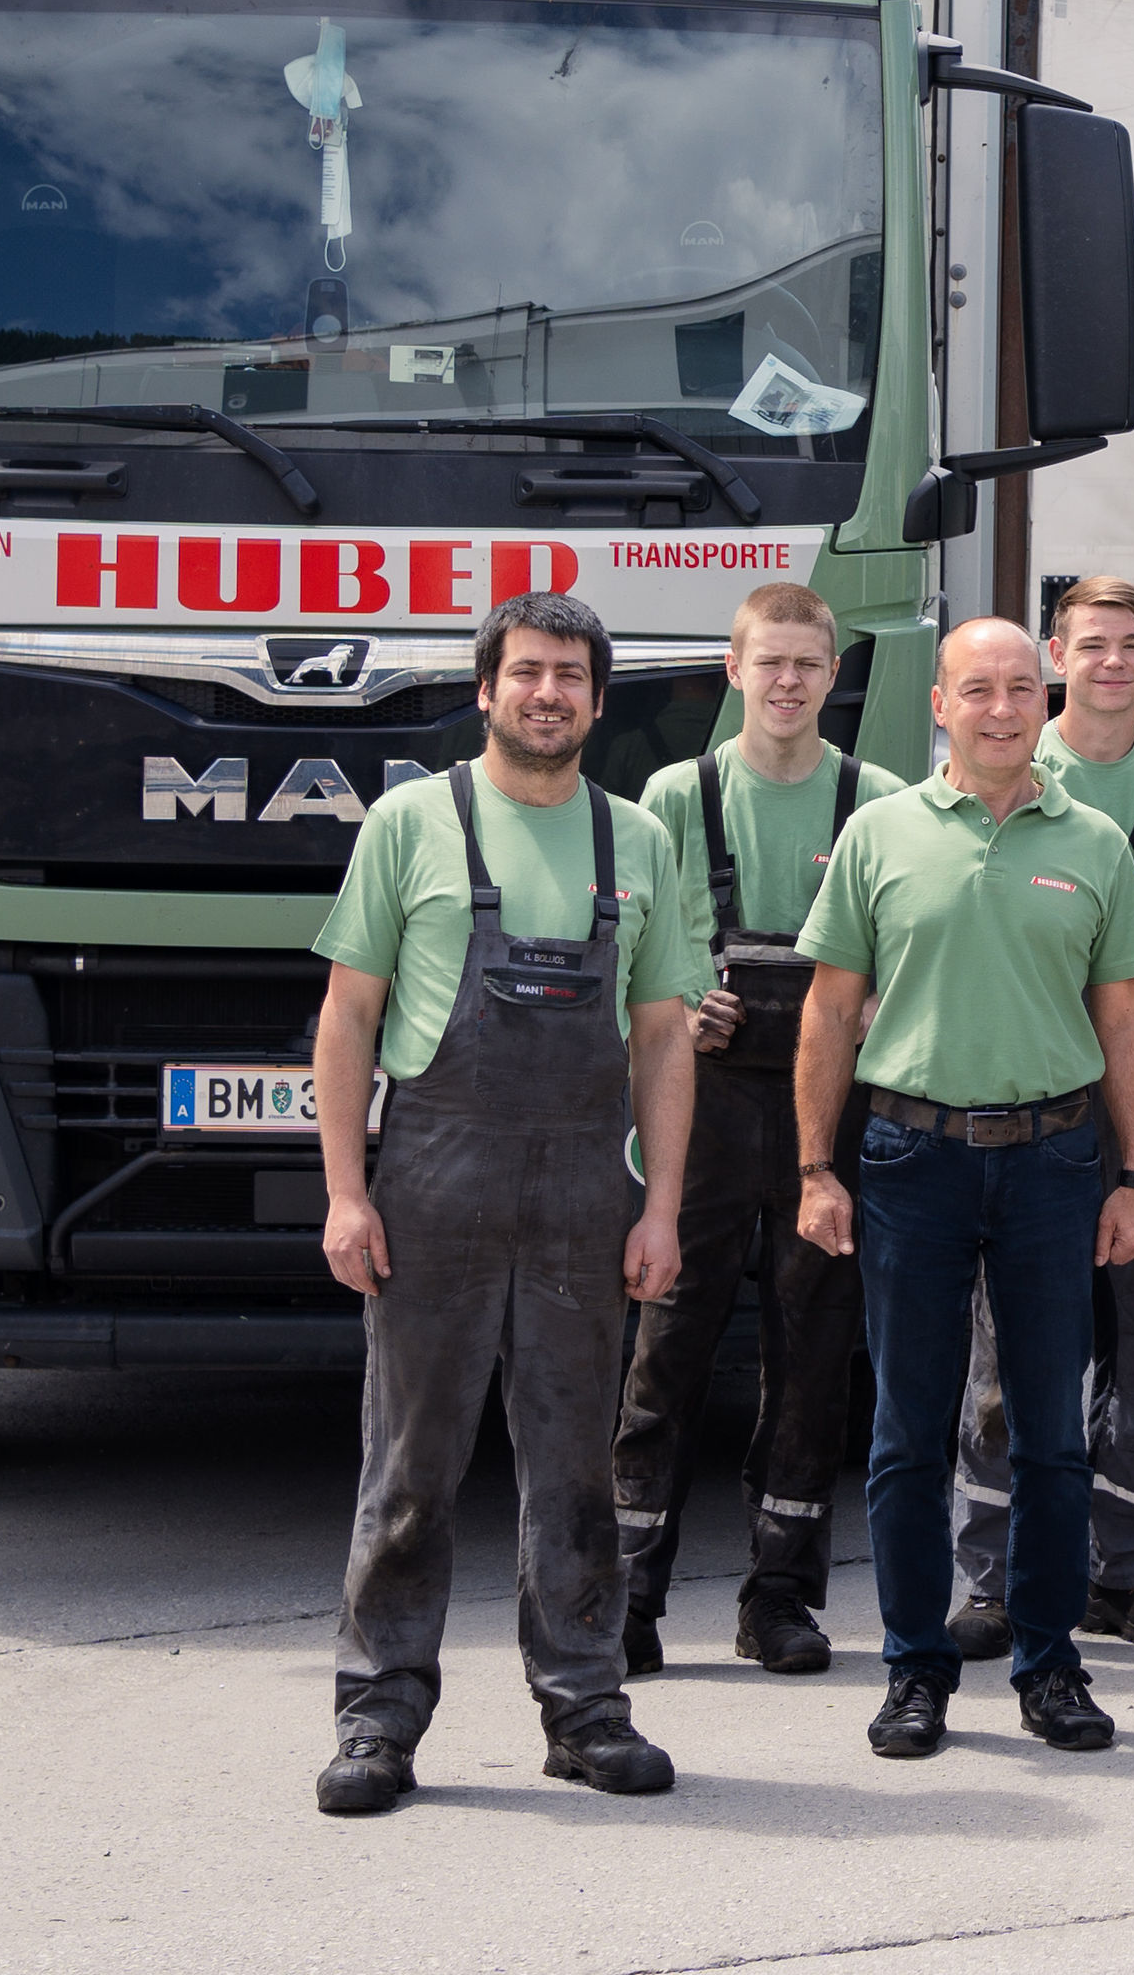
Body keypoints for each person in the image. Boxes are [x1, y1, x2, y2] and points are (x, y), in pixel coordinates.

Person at [310, 593, 707, 1815]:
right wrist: (344, 1195)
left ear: (598, 698)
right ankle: (379, 1717)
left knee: (574, 1465)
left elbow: (663, 1036)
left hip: (589, 1186)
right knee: (413, 1462)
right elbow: (348, 1018)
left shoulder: (636, 840)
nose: (549, 694)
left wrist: (662, 1210)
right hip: (435, 1177)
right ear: (486, 690)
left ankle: (586, 1707)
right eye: (527, 672)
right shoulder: (411, 823)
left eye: (572, 676)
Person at [793, 618, 1134, 1760]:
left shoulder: (1093, 839)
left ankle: (1049, 1664)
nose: (1002, 708)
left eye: (1020, 687)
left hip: (1057, 1163)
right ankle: (915, 1670)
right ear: (940, 707)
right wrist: (816, 1166)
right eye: (978, 689)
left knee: (1054, 1434)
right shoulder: (880, 834)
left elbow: (1125, 1020)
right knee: (909, 1432)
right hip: (911, 1159)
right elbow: (828, 1009)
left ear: (1040, 696)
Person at [613, 583, 901, 1683]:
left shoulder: (874, 801)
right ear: (732, 672)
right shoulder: (672, 798)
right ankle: (629, 1594)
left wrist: (876, 1003)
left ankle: (780, 1599)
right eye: (767, 663)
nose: (787, 683)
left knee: (814, 1356)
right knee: (666, 1350)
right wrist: (685, 1004)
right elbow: (633, 953)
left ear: (834, 679)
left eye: (807, 666)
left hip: (827, 1109)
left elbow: (903, 946)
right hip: (707, 1106)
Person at [949, 578, 1134, 1657]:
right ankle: (994, 1576)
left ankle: (1131, 1570)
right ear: (1057, 653)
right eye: (1091, 645)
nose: (1112, 663)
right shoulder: (1010, 763)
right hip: (1029, 1092)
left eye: (1132, 646)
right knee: (1010, 1349)